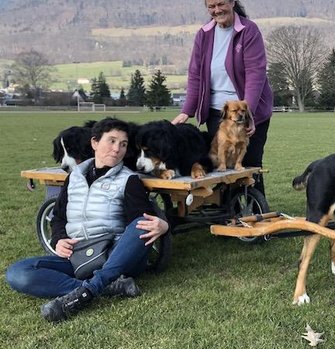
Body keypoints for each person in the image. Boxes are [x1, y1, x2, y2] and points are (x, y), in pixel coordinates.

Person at [6, 117, 169, 322]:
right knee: (17, 273)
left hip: (112, 256)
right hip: (77, 256)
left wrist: (163, 225)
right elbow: (58, 217)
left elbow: (141, 222)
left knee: (140, 225)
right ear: (94, 143)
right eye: (111, 141)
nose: (117, 149)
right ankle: (109, 288)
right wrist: (58, 239)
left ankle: (89, 291)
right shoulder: (73, 178)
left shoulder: (129, 180)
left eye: (123, 144)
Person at [172, 0, 273, 194]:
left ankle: (257, 208)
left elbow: (255, 73)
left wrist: (248, 114)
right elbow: (195, 75)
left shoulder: (248, 31)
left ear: (232, 2)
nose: (217, 10)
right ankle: (227, 212)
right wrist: (187, 111)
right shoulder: (204, 34)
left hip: (247, 109)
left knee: (249, 164)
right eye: (211, 6)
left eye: (221, 4)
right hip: (219, 114)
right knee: (221, 163)